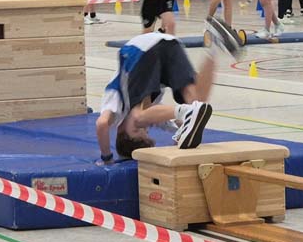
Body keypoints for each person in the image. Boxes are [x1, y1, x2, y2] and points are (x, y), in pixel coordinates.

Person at [95, 16, 243, 163]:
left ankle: (187, 110)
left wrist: (107, 158)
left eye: (136, 130)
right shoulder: (151, 113)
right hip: (170, 45)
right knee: (197, 101)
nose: (145, 126)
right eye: (146, 130)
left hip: (140, 50)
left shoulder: (115, 107)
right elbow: (180, 123)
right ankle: (214, 46)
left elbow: (101, 124)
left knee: (139, 117)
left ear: (120, 129)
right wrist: (181, 138)